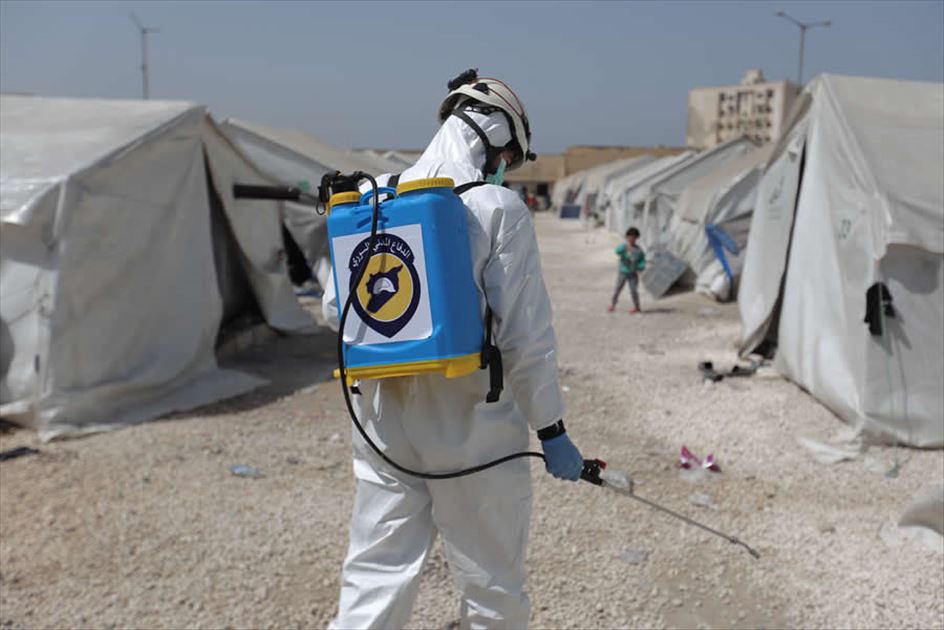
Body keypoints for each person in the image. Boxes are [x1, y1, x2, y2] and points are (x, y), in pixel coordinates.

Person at [322, 70, 584, 629]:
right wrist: (552, 429)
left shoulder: (371, 197)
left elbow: (332, 307)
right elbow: (526, 338)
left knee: (373, 575)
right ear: (499, 140)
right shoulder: (497, 207)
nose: (505, 169)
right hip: (472, 427)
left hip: (382, 422)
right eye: (509, 159)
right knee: (490, 582)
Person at [608, 227, 646, 313]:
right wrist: (625, 247)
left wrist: (641, 266)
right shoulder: (624, 247)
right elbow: (617, 251)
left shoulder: (638, 250)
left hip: (633, 273)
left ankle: (637, 307)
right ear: (627, 237)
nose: (632, 239)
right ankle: (612, 305)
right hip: (623, 272)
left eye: (634, 237)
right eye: (630, 237)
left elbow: (642, 260)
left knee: (634, 290)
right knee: (618, 289)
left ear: (636, 238)